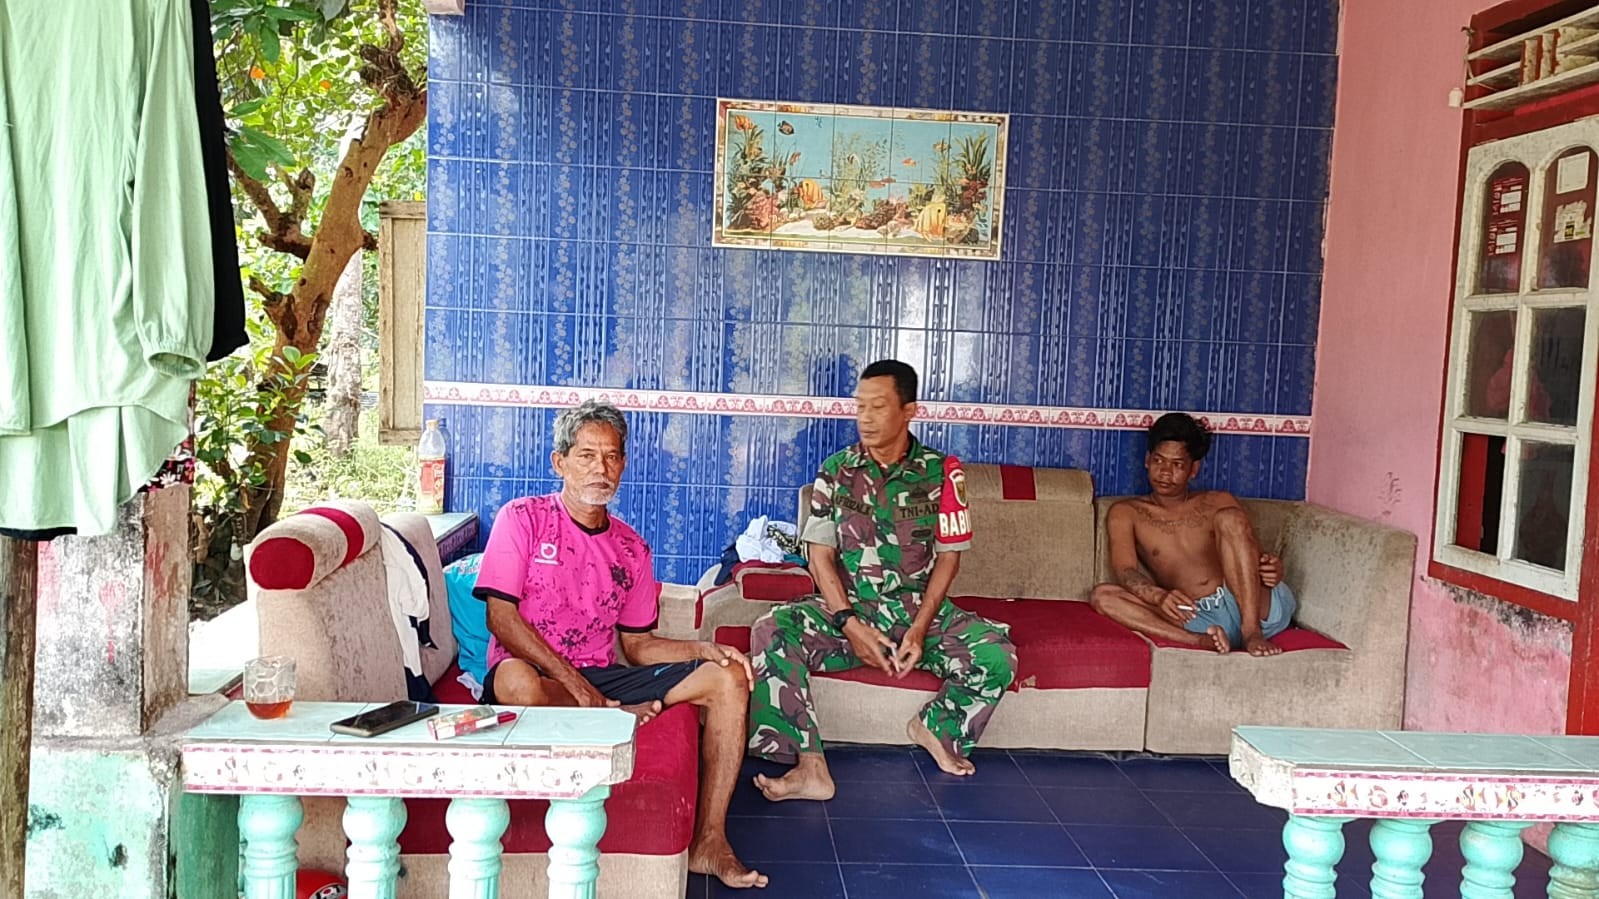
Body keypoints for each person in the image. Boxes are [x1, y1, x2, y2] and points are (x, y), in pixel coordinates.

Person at [472, 400, 767, 890]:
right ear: (559, 462)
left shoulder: (631, 549)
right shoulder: (522, 518)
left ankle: (710, 841)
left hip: (603, 678)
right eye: (587, 455)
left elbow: (638, 646)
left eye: (611, 457)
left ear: (624, 464)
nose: (601, 468)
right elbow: (500, 618)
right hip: (535, 675)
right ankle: (605, 711)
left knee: (730, 677)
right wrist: (583, 692)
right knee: (516, 682)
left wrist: (703, 651)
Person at [746, 360, 1017, 800]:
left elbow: (949, 558)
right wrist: (850, 624)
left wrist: (920, 629)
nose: (866, 418)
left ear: (909, 411)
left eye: (878, 406)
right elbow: (819, 557)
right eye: (860, 407)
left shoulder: (942, 472)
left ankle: (937, 728)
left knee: (997, 655)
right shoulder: (836, 471)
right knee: (771, 629)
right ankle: (810, 766)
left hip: (920, 616)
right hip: (850, 611)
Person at [1089, 412, 1297, 657]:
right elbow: (1125, 571)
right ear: (1147, 460)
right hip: (1196, 614)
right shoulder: (1126, 512)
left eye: (1177, 465)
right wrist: (1158, 597)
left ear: (1193, 469)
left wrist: (1272, 569)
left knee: (1230, 517)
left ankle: (1252, 632)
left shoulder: (1220, 501)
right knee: (1103, 596)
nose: (1165, 472)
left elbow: (1252, 560)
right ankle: (1200, 641)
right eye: (1158, 461)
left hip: (1250, 605)